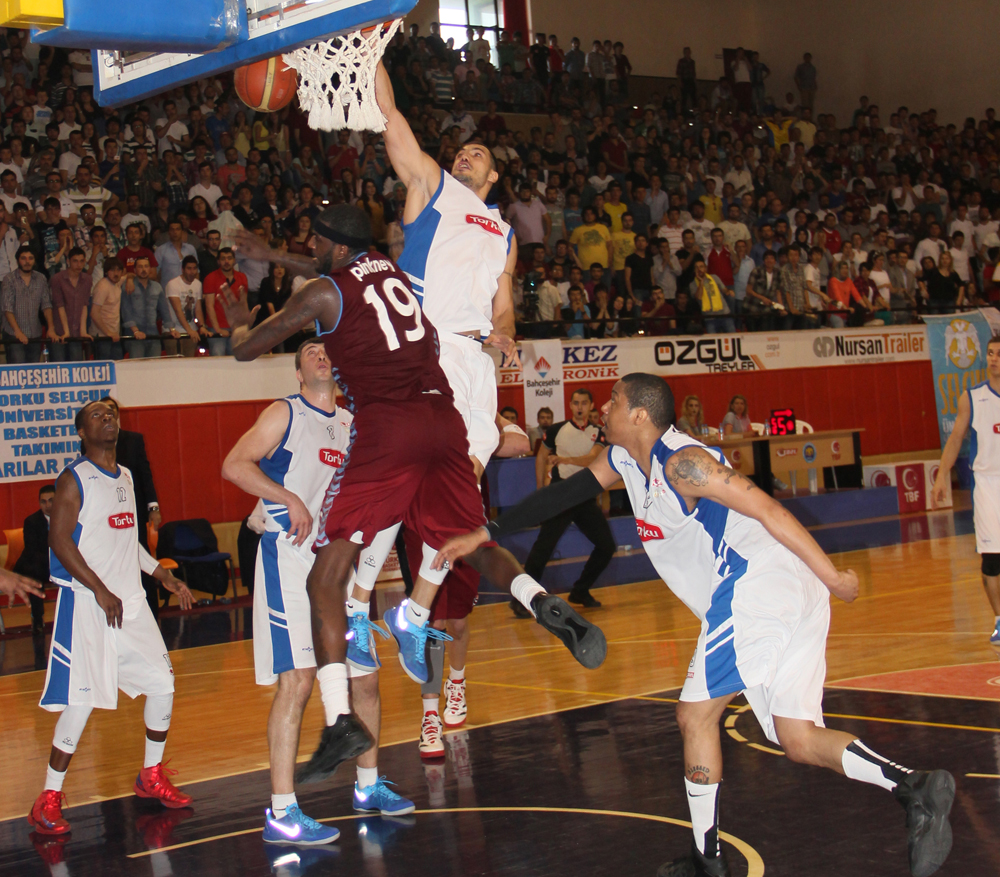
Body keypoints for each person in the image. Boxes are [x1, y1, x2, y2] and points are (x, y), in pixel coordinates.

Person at [433, 373, 956, 877]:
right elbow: (560, 497)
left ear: (639, 413)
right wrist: (486, 531)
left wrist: (835, 577)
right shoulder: (620, 458)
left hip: (758, 582)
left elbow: (770, 510)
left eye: (613, 400)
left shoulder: (686, 464)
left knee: (693, 716)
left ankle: (708, 860)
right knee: (796, 738)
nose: (603, 408)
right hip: (776, 593)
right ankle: (915, 788)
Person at [222, 203, 605, 783]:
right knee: (465, 540)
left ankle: (337, 720)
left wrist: (236, 331)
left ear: (333, 246)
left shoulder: (323, 295)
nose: (310, 248)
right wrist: (274, 255)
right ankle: (537, 599)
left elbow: (250, 348)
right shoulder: (388, 270)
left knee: (326, 575)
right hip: (443, 419)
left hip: (389, 430)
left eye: (313, 242)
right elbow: (326, 267)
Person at [222, 339, 414, 845]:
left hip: (339, 567)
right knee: (299, 681)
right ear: (299, 369)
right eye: (310, 349)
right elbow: (234, 465)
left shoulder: (355, 425)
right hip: (289, 559)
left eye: (327, 349)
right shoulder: (284, 413)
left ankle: (368, 786)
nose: (321, 354)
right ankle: (282, 810)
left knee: (366, 679)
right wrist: (284, 497)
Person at [30, 400, 195, 836]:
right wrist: (100, 589)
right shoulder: (74, 479)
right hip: (89, 604)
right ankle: (47, 798)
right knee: (82, 702)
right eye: (97, 416)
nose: (108, 419)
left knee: (163, 685)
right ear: (82, 432)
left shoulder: (126, 476)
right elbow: (59, 539)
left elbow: (128, 541)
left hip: (132, 606)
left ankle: (150, 776)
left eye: (111, 413)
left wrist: (163, 575)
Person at [511, 387, 614, 614]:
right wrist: (540, 490)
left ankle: (580, 590)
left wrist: (565, 458)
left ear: (590, 406)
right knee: (543, 548)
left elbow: (592, 458)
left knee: (607, 545)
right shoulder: (557, 430)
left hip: (584, 495)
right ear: (570, 405)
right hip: (560, 494)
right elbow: (541, 458)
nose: (579, 407)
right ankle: (521, 600)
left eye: (584, 403)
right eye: (575, 403)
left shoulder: (599, 432)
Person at [933, 335, 1000, 645]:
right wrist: (940, 477)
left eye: (999, 354)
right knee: (992, 560)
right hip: (988, 485)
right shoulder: (971, 398)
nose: (994, 359)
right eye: (990, 353)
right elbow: (956, 439)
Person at [101, 397, 164, 618]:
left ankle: (151, 613)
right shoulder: (92, 441)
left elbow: (145, 475)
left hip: (133, 510)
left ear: (117, 415)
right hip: (106, 512)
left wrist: (153, 507)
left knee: (140, 556)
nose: (107, 415)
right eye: (102, 412)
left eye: (111, 410)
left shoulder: (133, 440)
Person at [1, 245, 56, 363]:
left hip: (35, 333)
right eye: (23, 258)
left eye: (30, 258)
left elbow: (47, 305)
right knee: (17, 371)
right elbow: (7, 309)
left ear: (34, 260)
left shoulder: (41, 278)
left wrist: (50, 328)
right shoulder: (9, 279)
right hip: (13, 334)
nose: (27, 261)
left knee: (33, 371)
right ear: (17, 260)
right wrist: (18, 332)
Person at [13, 483, 55, 635]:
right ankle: (37, 619)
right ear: (39, 503)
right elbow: (32, 552)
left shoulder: (68, 518)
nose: (48, 505)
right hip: (38, 564)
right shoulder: (31, 521)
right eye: (43, 502)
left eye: (51, 500)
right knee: (34, 573)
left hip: (60, 564)